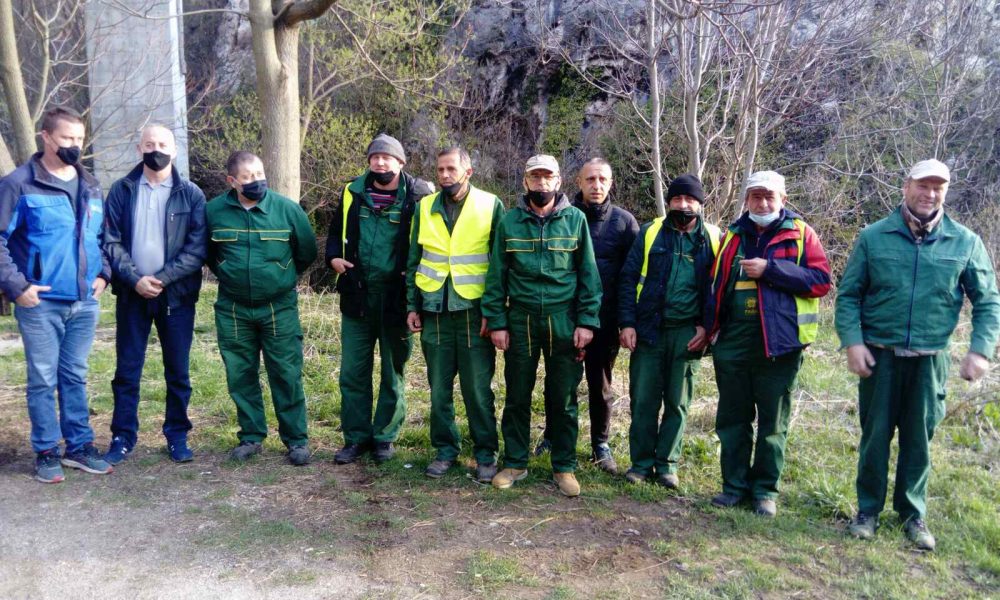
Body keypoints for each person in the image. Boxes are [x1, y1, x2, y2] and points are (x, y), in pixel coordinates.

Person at [836, 159, 999, 551]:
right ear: (906, 187)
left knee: (919, 440)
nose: (929, 194)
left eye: (937, 188)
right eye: (922, 186)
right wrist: (853, 342)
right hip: (880, 357)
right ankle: (867, 512)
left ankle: (912, 514)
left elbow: (988, 301)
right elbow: (848, 296)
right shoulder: (874, 237)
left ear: (945, 192)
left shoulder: (965, 242)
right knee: (875, 436)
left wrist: (981, 351)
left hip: (930, 360)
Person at [703, 170, 831, 517]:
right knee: (732, 419)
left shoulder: (801, 233)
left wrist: (771, 269)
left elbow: (821, 281)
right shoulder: (732, 235)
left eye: (769, 196)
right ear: (746, 199)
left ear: (783, 200)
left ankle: (764, 493)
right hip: (733, 343)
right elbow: (716, 286)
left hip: (780, 346)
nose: (762, 202)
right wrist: (709, 330)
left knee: (773, 423)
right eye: (756, 196)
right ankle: (733, 487)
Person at [0, 106, 113, 482]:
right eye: (67, 138)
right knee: (42, 379)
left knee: (75, 376)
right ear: (45, 137)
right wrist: (17, 287)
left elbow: (103, 236)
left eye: (79, 139)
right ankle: (47, 450)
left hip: (84, 300)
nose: (74, 146)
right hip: (40, 301)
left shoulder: (91, 185)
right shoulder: (19, 184)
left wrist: (105, 275)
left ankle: (78, 446)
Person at [482, 154, 602, 497]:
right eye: (535, 177)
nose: (541, 183)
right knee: (517, 394)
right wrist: (498, 322)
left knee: (563, 397)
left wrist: (587, 322)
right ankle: (516, 462)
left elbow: (589, 277)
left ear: (559, 181)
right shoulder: (510, 221)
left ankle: (563, 467)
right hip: (520, 319)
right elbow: (496, 276)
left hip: (563, 319)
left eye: (547, 177)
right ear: (525, 182)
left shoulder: (575, 220)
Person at [102, 125, 207, 465]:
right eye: (149, 144)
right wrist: (134, 280)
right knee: (127, 370)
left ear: (174, 150)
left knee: (177, 371)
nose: (155, 149)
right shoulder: (122, 189)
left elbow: (196, 250)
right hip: (132, 295)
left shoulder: (191, 194)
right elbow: (110, 240)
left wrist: (160, 279)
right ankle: (122, 436)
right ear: (139, 149)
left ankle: (177, 434)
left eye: (162, 144)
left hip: (175, 296)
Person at [326, 134, 433, 465]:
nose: (380, 163)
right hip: (358, 296)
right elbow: (335, 232)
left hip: (397, 299)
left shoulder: (419, 196)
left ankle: (385, 437)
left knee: (393, 369)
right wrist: (333, 258)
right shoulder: (352, 192)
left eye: (387, 158)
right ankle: (355, 438)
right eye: (375, 157)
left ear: (401, 163)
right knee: (353, 372)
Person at [206, 151, 317, 465]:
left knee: (286, 373)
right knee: (240, 373)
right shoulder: (213, 212)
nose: (257, 181)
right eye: (248, 177)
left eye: (259, 173)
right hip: (233, 307)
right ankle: (251, 436)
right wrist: (230, 271)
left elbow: (306, 252)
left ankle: (296, 441)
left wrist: (279, 277)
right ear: (232, 181)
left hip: (278, 307)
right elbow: (209, 254)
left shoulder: (287, 210)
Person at [405, 147, 505, 482]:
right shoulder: (424, 207)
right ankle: (445, 450)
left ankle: (486, 455)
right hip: (434, 311)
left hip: (474, 313)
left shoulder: (490, 205)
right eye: (440, 169)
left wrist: (494, 312)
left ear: (468, 172)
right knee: (438, 390)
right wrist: (411, 305)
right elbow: (413, 259)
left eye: (451, 169)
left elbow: (500, 266)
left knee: (477, 391)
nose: (444, 175)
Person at [536, 158, 637, 474]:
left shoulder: (624, 223)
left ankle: (600, 444)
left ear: (611, 182)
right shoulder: (561, 217)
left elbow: (631, 278)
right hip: (563, 318)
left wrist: (625, 321)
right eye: (590, 179)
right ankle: (553, 434)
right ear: (577, 182)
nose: (596, 185)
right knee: (559, 382)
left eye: (602, 179)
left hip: (604, 322)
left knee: (601, 385)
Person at [618, 174, 719, 488]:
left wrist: (708, 328)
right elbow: (627, 279)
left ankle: (666, 466)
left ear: (700, 205)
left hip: (688, 334)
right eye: (677, 199)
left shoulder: (715, 238)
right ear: (669, 201)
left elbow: (721, 290)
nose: (684, 205)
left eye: (690, 200)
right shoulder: (650, 232)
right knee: (644, 400)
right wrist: (627, 323)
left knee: (677, 403)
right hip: (649, 331)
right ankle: (640, 464)